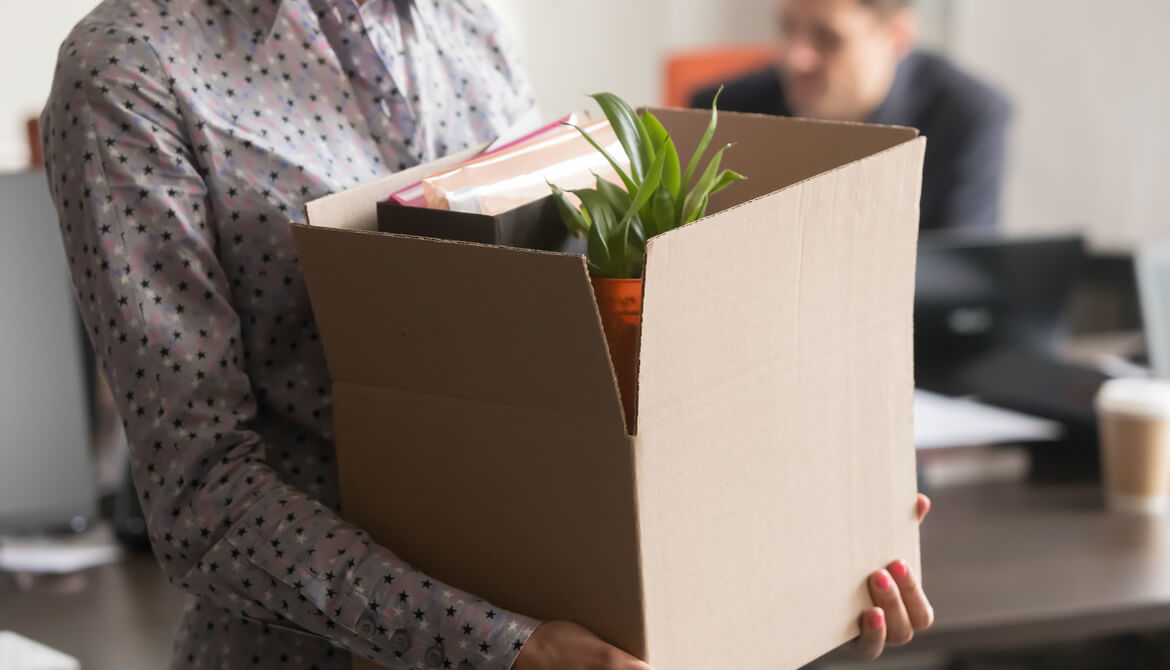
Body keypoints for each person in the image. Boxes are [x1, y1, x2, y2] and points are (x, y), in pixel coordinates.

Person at [40, 1, 933, 668]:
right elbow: (203, 502)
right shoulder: (131, 68)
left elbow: (554, 366)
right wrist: (506, 648)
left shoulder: (466, 19)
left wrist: (810, 526)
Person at [693, 0, 1011, 233]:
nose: (795, 58)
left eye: (829, 38)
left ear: (898, 35)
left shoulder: (967, 115)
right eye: (787, 27)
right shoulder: (723, 111)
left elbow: (961, 277)